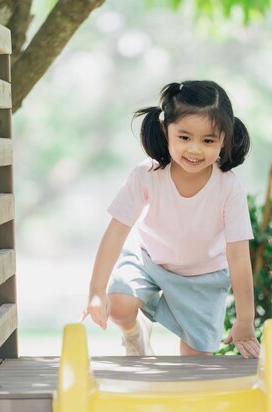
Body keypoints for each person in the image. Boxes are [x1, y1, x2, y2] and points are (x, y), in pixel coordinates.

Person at [82, 80, 260, 358]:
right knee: (119, 305)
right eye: (184, 137)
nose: (195, 150)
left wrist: (245, 319)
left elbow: (238, 255)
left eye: (208, 140)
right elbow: (116, 232)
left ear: (224, 138)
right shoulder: (147, 175)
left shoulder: (229, 187)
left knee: (196, 364)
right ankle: (134, 335)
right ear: (166, 131)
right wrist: (96, 291)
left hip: (204, 276)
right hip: (149, 260)